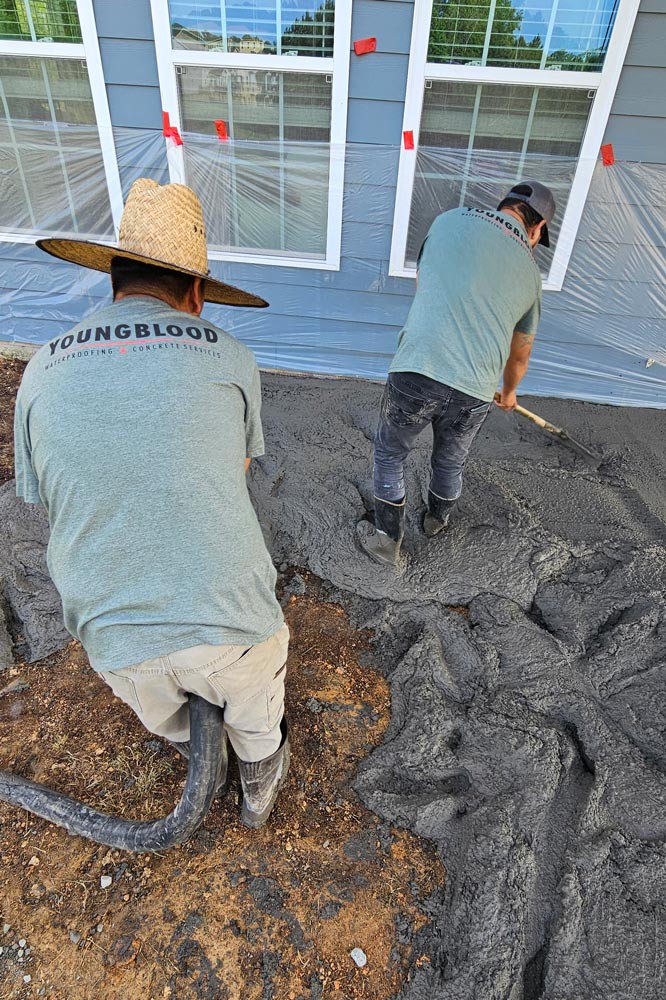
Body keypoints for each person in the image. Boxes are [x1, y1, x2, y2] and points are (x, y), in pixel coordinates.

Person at [13, 179, 289, 829]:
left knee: (169, 710)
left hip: (113, 638)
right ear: (197, 293)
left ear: (114, 278)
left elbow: (48, 498)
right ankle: (257, 787)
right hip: (232, 627)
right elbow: (235, 471)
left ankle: (202, 760)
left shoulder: (41, 370)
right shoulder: (230, 356)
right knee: (256, 712)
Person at [358, 180, 556, 570]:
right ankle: (436, 521)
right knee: (450, 461)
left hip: (419, 367)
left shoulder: (448, 221)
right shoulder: (531, 276)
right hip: (476, 388)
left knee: (391, 453)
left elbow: (426, 281)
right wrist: (509, 392)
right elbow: (521, 353)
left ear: (505, 207)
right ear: (535, 229)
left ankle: (387, 543)